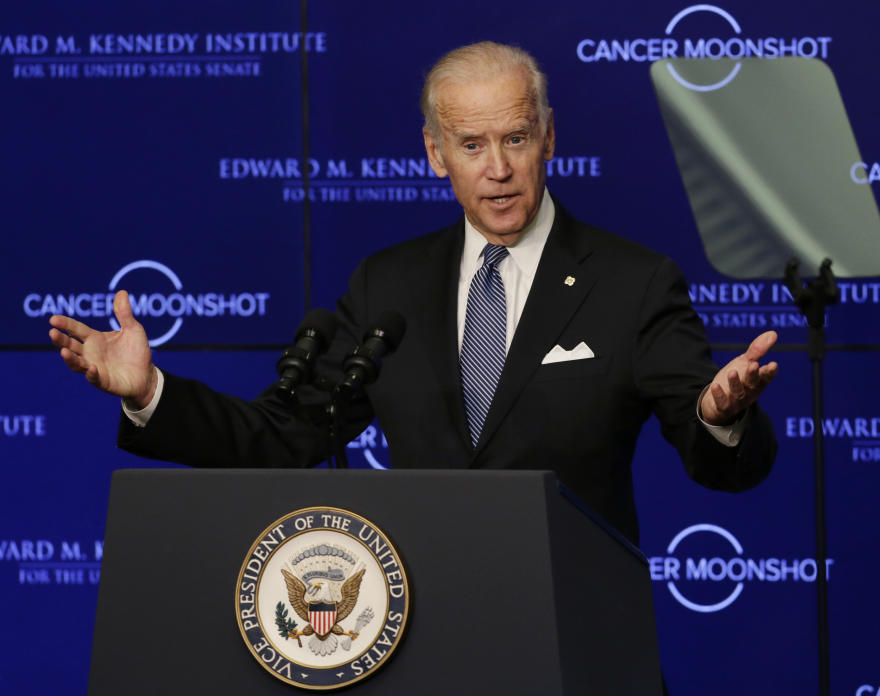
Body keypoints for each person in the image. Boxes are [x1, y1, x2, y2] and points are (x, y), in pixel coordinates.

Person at [49, 41, 778, 544]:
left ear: (549, 138)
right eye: (471, 145)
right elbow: (282, 435)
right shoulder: (387, 283)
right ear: (435, 154)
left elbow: (718, 460)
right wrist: (150, 392)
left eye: (516, 139)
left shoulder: (632, 281)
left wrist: (719, 418)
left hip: (577, 634)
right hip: (423, 635)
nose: (497, 168)